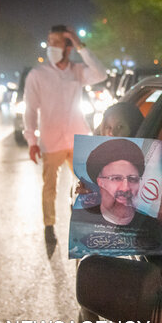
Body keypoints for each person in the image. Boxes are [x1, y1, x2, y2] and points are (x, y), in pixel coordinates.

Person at [23, 24, 108, 244]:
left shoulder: (77, 71)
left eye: (57, 42)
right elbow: (30, 109)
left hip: (78, 138)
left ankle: (90, 225)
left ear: (68, 47)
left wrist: (81, 45)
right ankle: (49, 226)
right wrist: (32, 140)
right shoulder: (37, 75)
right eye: (49, 42)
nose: (51, 46)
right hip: (51, 142)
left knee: (89, 184)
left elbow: (101, 73)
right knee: (49, 187)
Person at [72, 139, 162, 249]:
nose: (126, 188)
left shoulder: (152, 227)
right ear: (100, 182)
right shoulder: (84, 224)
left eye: (133, 179)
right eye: (116, 178)